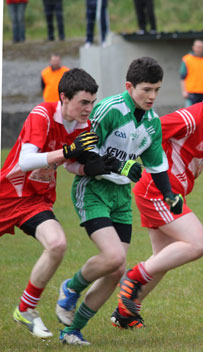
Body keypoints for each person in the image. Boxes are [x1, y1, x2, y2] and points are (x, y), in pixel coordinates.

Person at [56, 57, 183, 345]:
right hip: (93, 189)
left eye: (157, 90)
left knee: (116, 270)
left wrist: (169, 194)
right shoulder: (110, 109)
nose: (152, 97)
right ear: (129, 86)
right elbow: (85, 149)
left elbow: (156, 163)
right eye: (146, 90)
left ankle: (72, 330)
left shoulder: (152, 122)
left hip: (121, 197)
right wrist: (121, 166)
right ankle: (70, 288)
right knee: (113, 256)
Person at [110, 66, 203, 330]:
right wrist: (130, 160)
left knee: (162, 259)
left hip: (172, 195)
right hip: (156, 191)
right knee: (198, 243)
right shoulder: (190, 117)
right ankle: (133, 277)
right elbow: (150, 130)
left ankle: (125, 314)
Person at [0, 68, 99, 339]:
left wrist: (95, 167)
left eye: (92, 102)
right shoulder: (42, 114)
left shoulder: (83, 126)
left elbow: (71, 166)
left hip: (36, 200)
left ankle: (26, 309)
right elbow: (25, 161)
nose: (89, 109)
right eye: (83, 102)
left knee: (57, 244)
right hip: (7, 194)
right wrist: (67, 151)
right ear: (64, 98)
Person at [180, 39, 203, 106]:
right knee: (191, 113)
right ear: (193, 47)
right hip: (191, 93)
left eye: (201, 47)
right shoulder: (186, 59)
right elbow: (182, 77)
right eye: (198, 47)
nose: (199, 49)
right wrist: (184, 91)